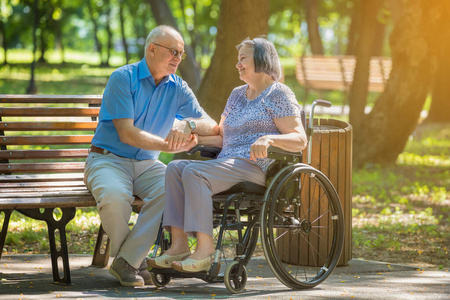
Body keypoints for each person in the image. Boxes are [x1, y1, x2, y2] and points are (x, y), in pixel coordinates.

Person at [147, 37, 308, 273]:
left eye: (243, 59)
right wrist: (194, 139)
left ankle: (204, 250)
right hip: (227, 163)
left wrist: (268, 139)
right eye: (238, 59)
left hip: (256, 167)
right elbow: (223, 137)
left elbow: (300, 139)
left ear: (262, 60)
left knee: (194, 172)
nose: (238, 64)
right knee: (175, 168)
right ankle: (179, 245)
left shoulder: (278, 93)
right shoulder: (237, 95)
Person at [84, 25, 218, 286]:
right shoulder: (123, 78)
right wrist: (168, 146)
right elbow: (126, 133)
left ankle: (126, 262)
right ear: (152, 49)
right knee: (114, 198)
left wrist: (189, 125)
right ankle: (133, 261)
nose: (178, 58)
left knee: (173, 188)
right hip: (107, 159)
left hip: (147, 163)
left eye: (181, 54)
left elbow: (211, 125)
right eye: (173, 52)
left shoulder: (178, 87)